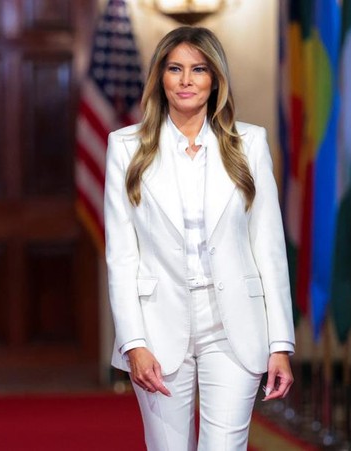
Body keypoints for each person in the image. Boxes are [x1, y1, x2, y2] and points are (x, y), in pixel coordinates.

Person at [104, 26, 295, 450]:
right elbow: (121, 256)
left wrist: (280, 343)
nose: (186, 80)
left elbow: (269, 249)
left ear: (216, 78)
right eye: (175, 69)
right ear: (160, 77)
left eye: (199, 69)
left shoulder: (250, 143)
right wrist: (133, 342)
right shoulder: (126, 147)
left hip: (234, 327)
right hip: (156, 328)